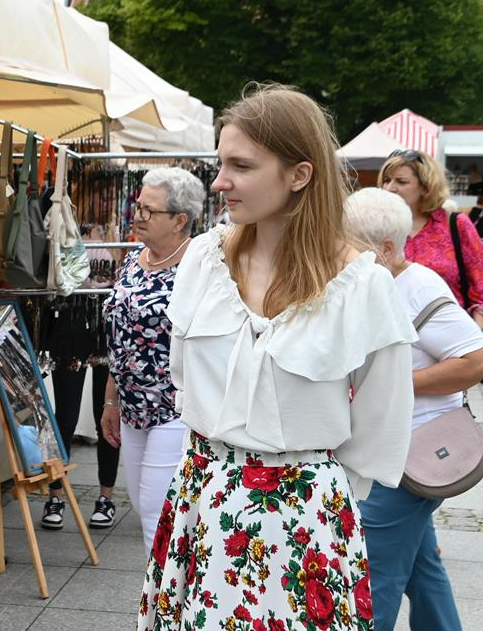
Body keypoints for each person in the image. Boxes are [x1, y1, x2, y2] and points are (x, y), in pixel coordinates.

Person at [138, 84, 416, 629]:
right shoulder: (201, 260)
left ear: (299, 175)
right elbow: (182, 376)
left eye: (241, 166)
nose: (220, 182)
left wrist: (309, 486)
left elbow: (381, 426)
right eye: (221, 163)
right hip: (202, 495)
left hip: (304, 517)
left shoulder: (362, 286)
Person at [345, 187, 483, 631]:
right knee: (423, 570)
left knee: (374, 576)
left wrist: (394, 385)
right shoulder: (384, 282)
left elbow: (475, 360)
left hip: (410, 454)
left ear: (385, 248)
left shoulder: (417, 286)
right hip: (399, 454)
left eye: (349, 241)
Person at [91, 167, 205, 551]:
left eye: (148, 211)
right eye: (137, 206)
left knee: (159, 514)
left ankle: (161, 605)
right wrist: (111, 399)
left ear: (180, 220)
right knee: (142, 506)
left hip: (175, 408)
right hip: (131, 407)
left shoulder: (200, 267)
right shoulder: (134, 259)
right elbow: (118, 338)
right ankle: (165, 599)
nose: (137, 216)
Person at [379, 150, 483, 328]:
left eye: (401, 181)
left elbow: (480, 286)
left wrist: (475, 335)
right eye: (386, 180)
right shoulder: (378, 229)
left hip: (452, 339)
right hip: (394, 340)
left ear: (426, 187)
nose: (389, 188)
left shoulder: (455, 225)